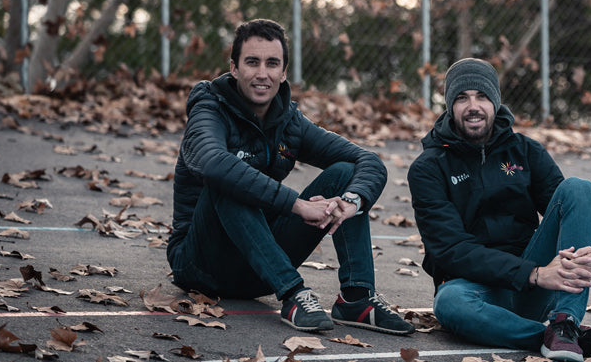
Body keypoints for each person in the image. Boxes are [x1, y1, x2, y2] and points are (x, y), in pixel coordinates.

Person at [168, 18, 414, 335]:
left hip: (257, 269)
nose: (262, 73)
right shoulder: (209, 107)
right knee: (227, 177)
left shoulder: (289, 121)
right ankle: (293, 294)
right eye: (252, 62)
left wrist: (352, 203)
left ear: (283, 73)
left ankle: (356, 297)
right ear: (234, 68)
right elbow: (213, 163)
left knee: (345, 173)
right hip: (200, 265)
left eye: (272, 64)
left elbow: (367, 160)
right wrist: (297, 205)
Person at [408, 58, 591, 362]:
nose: (473, 106)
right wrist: (535, 274)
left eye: (482, 96)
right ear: (449, 106)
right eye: (462, 98)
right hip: (479, 289)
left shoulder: (526, 151)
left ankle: (565, 321)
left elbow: (575, 205)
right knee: (449, 303)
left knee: (578, 188)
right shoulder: (429, 167)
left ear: (496, 102)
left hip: (537, 284)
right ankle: (573, 338)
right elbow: (451, 250)